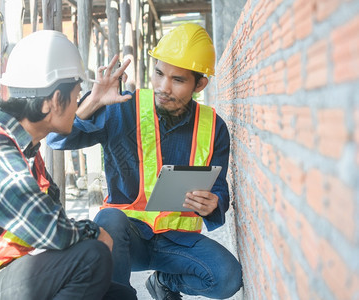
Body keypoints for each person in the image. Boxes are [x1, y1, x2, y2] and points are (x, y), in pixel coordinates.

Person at [47, 23, 242, 299]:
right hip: (126, 237)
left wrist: (214, 203)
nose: (163, 87)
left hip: (178, 242)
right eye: (159, 73)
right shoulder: (122, 106)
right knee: (108, 218)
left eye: (178, 79)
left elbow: (219, 189)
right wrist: (93, 103)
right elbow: (57, 140)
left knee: (228, 277)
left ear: (200, 84)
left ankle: (165, 283)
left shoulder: (214, 127)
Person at [0, 30, 136, 300]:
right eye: (75, 96)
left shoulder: (20, 145)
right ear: (52, 101)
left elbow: (51, 221)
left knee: (120, 296)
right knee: (92, 257)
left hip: (4, 273)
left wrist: (94, 100)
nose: (77, 104)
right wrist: (97, 232)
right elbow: (53, 231)